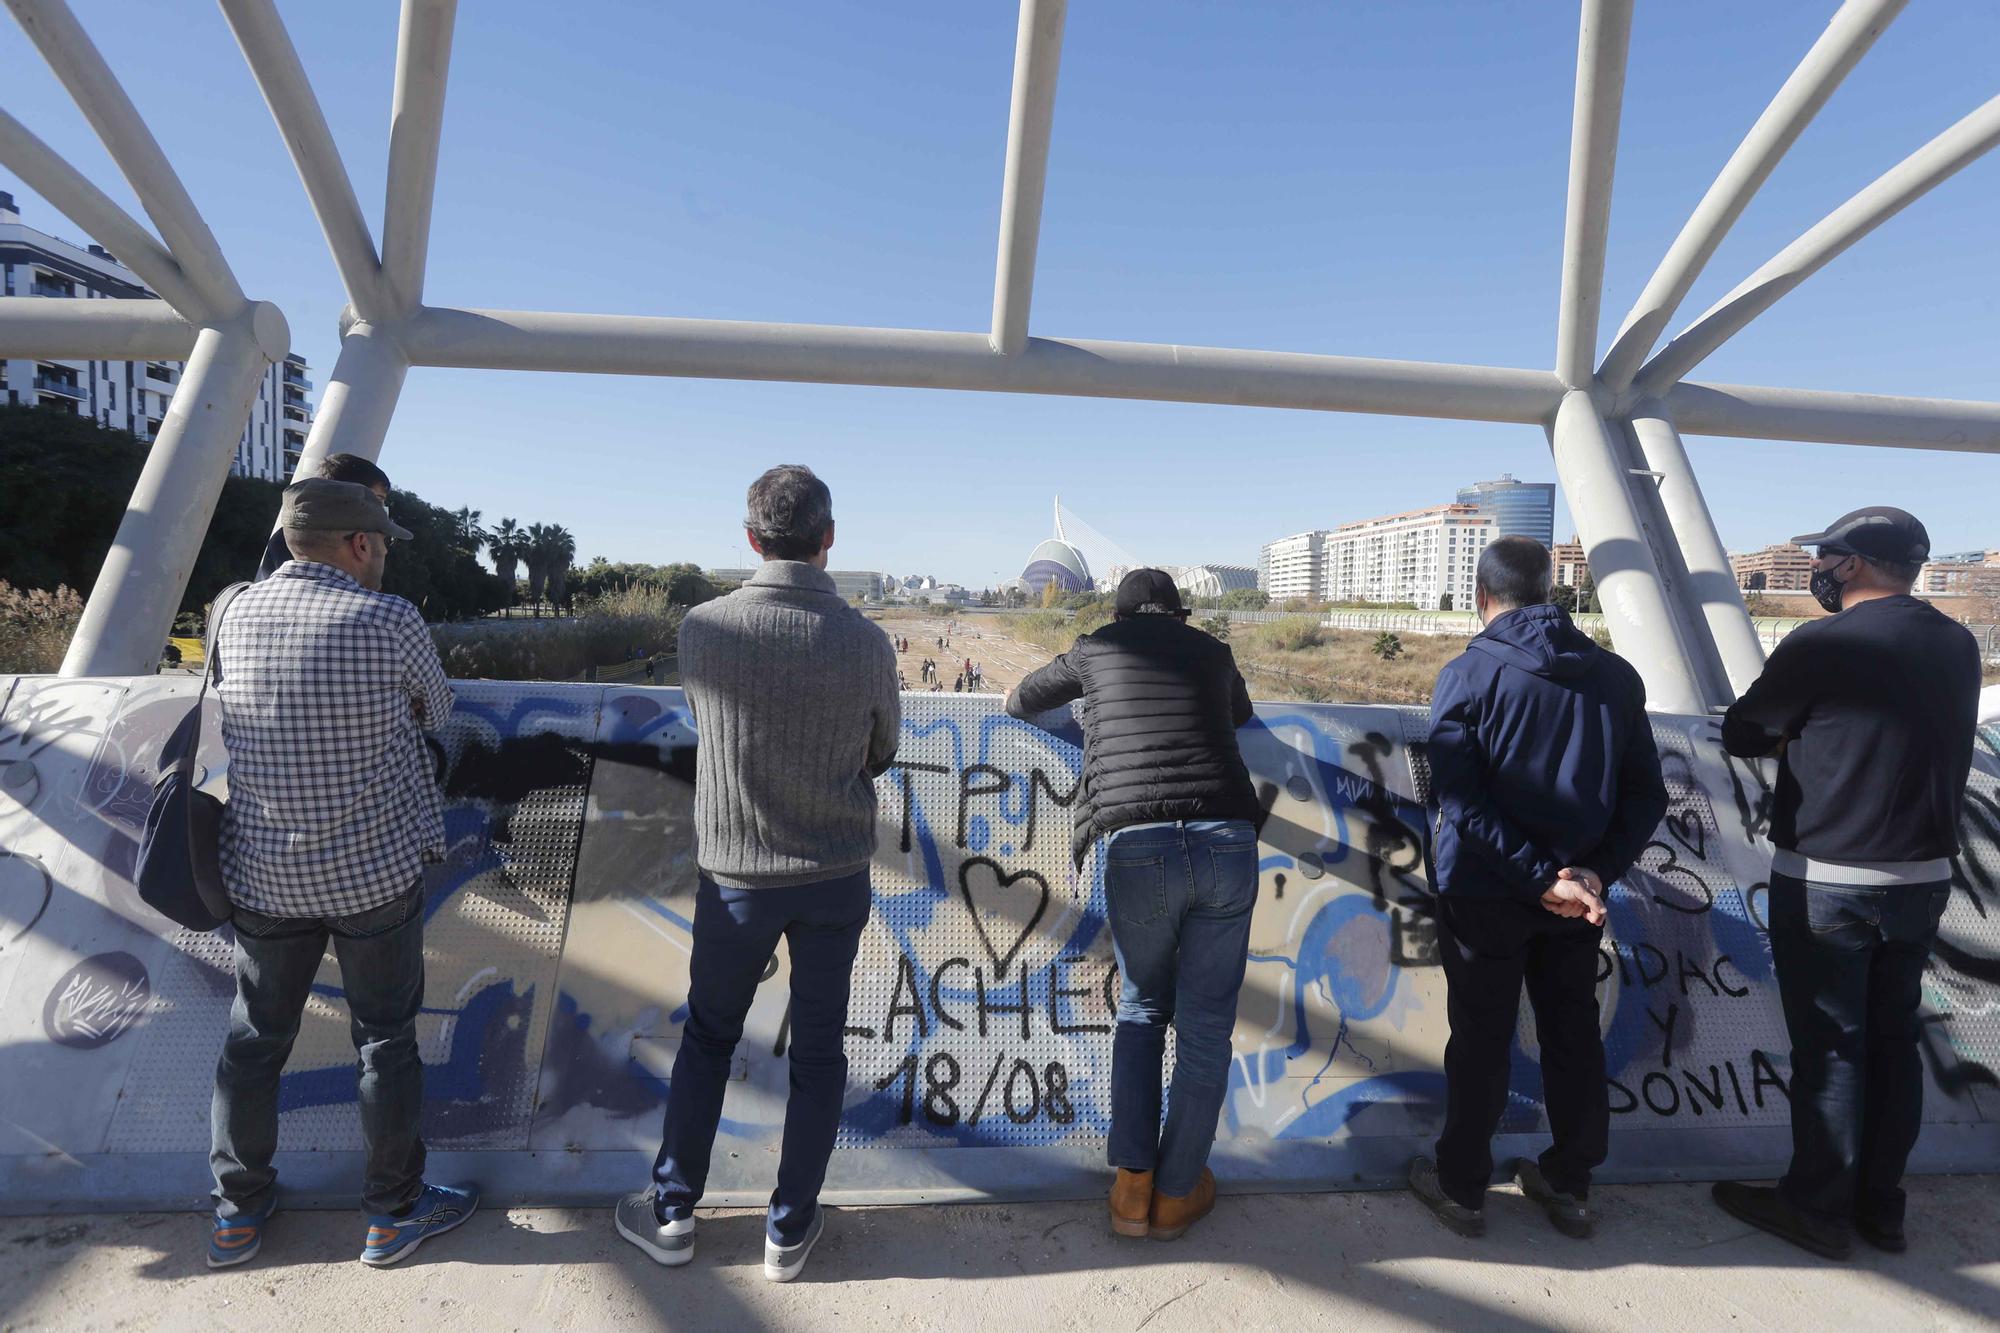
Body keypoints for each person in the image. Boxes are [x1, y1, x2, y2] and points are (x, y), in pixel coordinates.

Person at [619, 464, 898, 1283]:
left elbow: (708, 722)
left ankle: (671, 1211)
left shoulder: (704, 627)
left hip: (736, 875)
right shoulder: (868, 640)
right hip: (835, 872)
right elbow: (880, 749)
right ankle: (789, 1226)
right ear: (829, 539)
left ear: (751, 538)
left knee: (708, 1037)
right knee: (818, 1051)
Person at [207, 479, 477, 1270]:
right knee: (385, 1040)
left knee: (254, 1041)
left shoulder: (232, 611)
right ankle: (392, 1214)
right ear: (358, 545)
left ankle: (235, 1212)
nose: (385, 555)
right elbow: (438, 708)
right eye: (383, 542)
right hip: (371, 879)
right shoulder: (389, 618)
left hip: (261, 875)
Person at [1711, 507, 1980, 1260]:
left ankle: (1817, 1207)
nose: (1818, 571)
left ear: (1854, 564)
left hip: (1829, 875)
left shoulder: (1825, 642)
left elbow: (1744, 730)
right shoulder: (1957, 643)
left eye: (1825, 558)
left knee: (1831, 1048)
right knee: (1895, 1042)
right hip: (1923, 877)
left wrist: (1800, 731)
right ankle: (1880, 1208)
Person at [1407, 536, 1666, 1241]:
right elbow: (1647, 795)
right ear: (1551, 590)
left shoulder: (1468, 674)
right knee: (1573, 1032)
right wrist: (1588, 875)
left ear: (1482, 597)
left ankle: (1462, 1186)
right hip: (1575, 897)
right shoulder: (1616, 677)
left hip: (1485, 893)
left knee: (1483, 1037)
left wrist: (1533, 875)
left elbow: (1458, 798)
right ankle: (1570, 1181)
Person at [1006, 569, 1259, 1242]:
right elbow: (1241, 716)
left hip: (1137, 841)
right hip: (1226, 839)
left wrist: (1094, 713)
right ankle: (1178, 1194)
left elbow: (1021, 700)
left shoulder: (1095, 648)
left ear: (1117, 614)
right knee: (1206, 1026)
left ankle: (1131, 1190)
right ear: (1177, 613)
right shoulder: (1212, 651)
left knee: (1144, 1007)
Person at [255, 454, 391, 580]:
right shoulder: (291, 539)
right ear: (350, 494)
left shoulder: (289, 535)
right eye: (378, 499)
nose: (382, 510)